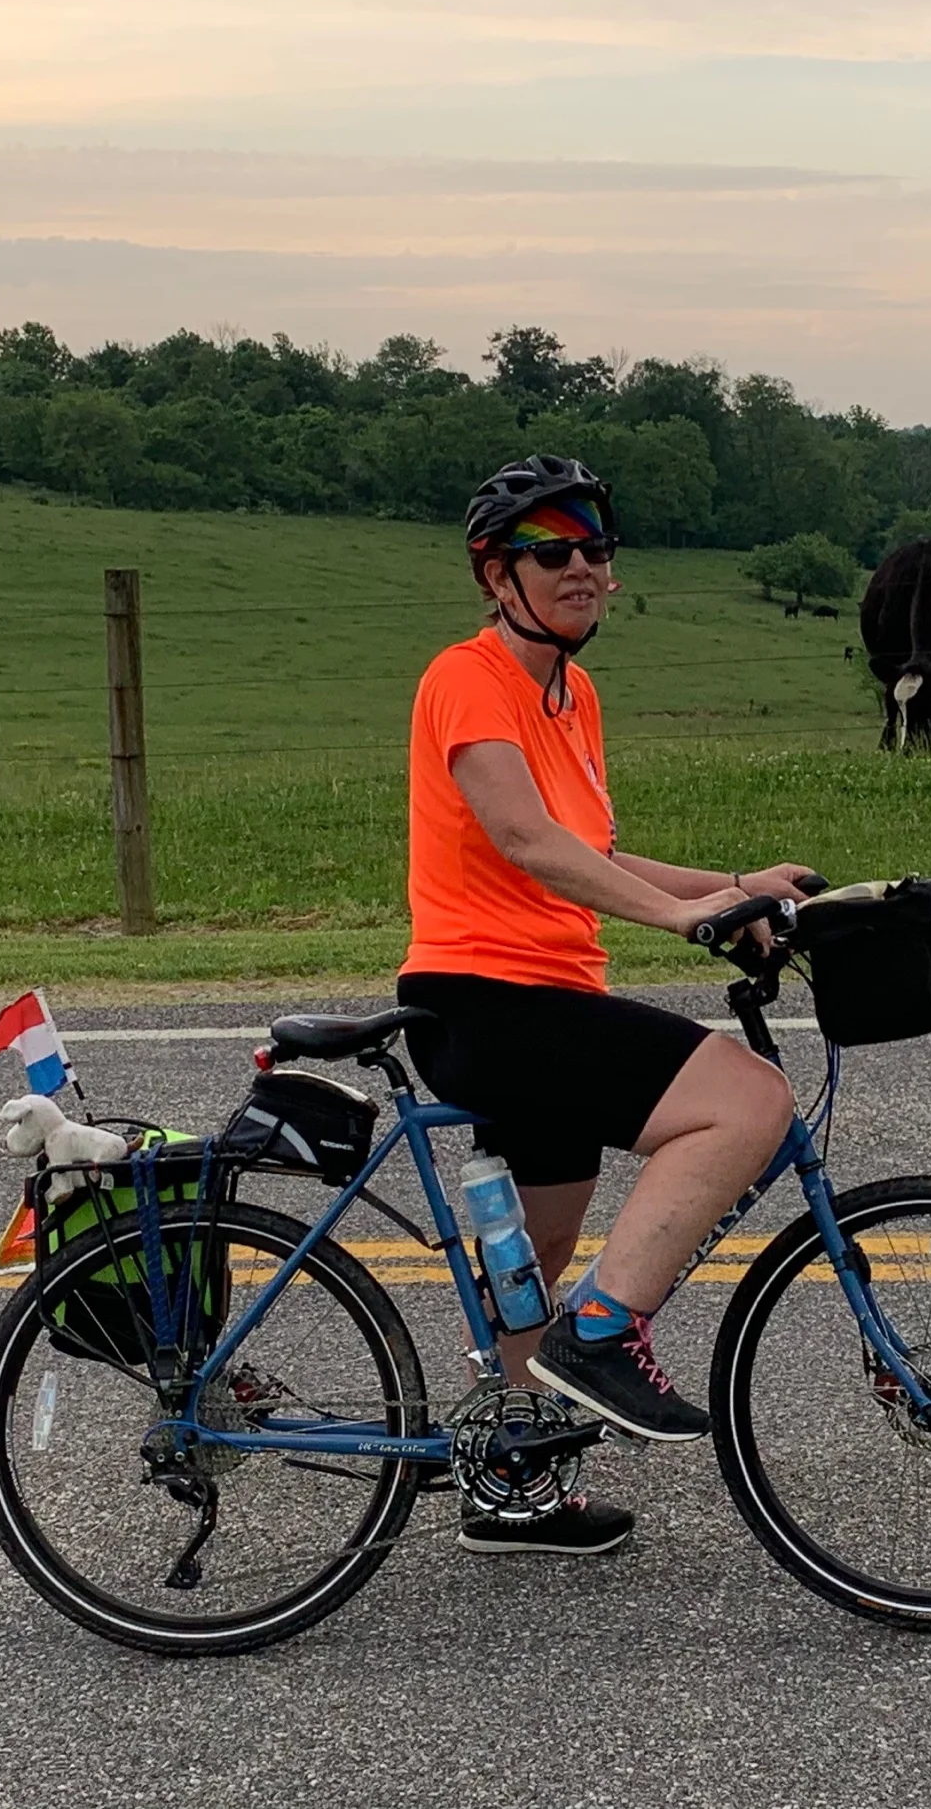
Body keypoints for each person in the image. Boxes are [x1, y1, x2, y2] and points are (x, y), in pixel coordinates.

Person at [398, 453, 814, 1558]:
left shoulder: (570, 691)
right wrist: (684, 923)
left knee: (527, 1255)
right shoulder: (465, 678)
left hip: (540, 997)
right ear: (497, 576)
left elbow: (595, 853)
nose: (583, 568)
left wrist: (734, 887)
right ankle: (603, 1334)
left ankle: (512, 1480)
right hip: (487, 1000)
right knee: (745, 1100)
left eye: (595, 550)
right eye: (552, 552)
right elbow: (526, 842)